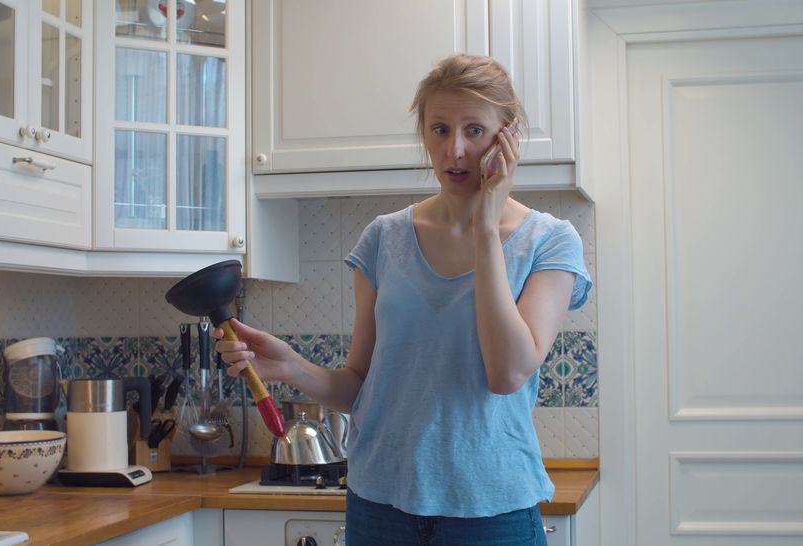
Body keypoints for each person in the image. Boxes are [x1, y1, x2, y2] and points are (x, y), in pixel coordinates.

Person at [214, 53, 592, 545]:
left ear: (508, 137)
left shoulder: (550, 241)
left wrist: (484, 227)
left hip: (491, 509)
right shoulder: (383, 238)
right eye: (440, 130)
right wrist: (293, 367)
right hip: (379, 506)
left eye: (475, 130)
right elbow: (360, 385)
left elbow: (507, 374)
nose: (455, 150)